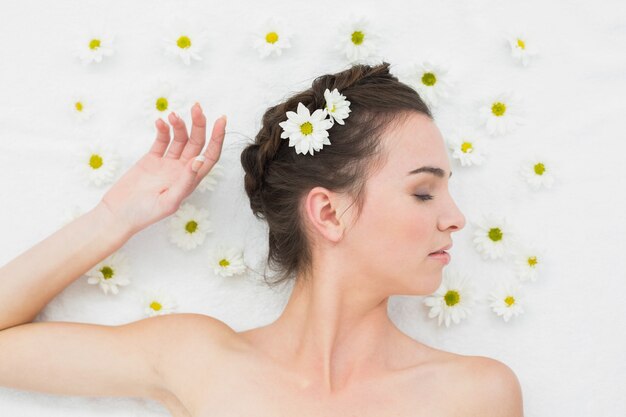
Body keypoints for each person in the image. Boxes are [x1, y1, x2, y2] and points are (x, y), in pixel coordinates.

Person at [0, 62, 523, 416]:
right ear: (327, 212)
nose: (456, 219)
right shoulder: (198, 359)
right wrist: (113, 218)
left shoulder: (474, 395)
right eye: (424, 193)